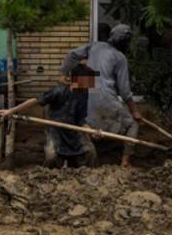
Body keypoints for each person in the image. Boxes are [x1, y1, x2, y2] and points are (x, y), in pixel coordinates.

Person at [60, 23, 141, 167]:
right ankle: (125, 162)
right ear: (126, 43)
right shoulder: (120, 58)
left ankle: (84, 147)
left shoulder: (94, 47)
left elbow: (72, 54)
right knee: (132, 125)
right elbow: (124, 91)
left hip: (84, 100)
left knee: (84, 123)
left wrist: (63, 74)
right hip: (106, 100)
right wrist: (135, 111)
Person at [0, 65, 98, 168]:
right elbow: (35, 101)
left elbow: (81, 119)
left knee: (90, 153)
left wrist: (90, 131)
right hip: (56, 130)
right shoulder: (59, 91)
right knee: (52, 157)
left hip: (74, 131)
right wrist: (11, 111)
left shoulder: (83, 95)